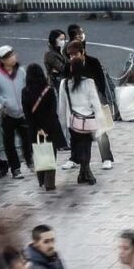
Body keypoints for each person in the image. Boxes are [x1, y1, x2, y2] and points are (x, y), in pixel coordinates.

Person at [0, 46, 31, 180]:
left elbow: (28, 86)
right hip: (7, 113)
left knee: (27, 139)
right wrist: (4, 101)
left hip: (23, 113)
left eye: (12, 54)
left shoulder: (21, 72)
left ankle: (30, 160)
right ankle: (15, 168)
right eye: (9, 56)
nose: (13, 57)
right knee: (9, 143)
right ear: (2, 60)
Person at [58, 52, 102, 185]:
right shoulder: (89, 82)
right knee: (86, 146)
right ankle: (86, 171)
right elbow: (96, 104)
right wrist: (100, 122)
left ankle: (83, 173)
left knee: (77, 146)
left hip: (72, 121)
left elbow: (62, 105)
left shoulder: (64, 83)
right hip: (87, 120)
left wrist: (63, 124)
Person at [21, 60, 63, 191]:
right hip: (50, 128)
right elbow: (52, 111)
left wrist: (37, 128)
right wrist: (45, 128)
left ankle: (41, 179)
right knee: (50, 153)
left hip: (34, 129)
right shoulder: (48, 90)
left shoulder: (25, 91)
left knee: (39, 153)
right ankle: (50, 182)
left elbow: (27, 113)